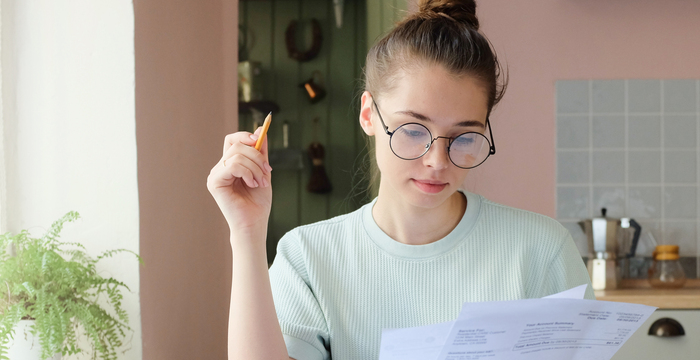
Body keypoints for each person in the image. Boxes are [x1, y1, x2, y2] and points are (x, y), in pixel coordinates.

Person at [207, 1, 592, 359]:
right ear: (369, 114)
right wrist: (247, 233)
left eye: (464, 137)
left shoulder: (542, 251)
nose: (437, 161)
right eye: (413, 129)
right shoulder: (308, 258)